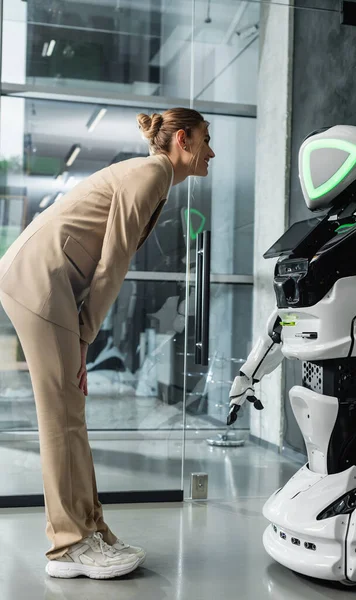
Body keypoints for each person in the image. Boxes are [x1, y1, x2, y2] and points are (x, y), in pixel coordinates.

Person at [0, 107, 215, 580]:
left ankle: (90, 528)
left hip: (46, 278)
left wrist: (80, 335)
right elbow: (112, 264)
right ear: (183, 139)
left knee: (69, 409)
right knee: (59, 413)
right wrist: (83, 339)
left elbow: (104, 259)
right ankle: (67, 545)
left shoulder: (151, 174)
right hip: (39, 280)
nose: (211, 151)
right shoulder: (152, 174)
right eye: (205, 139)